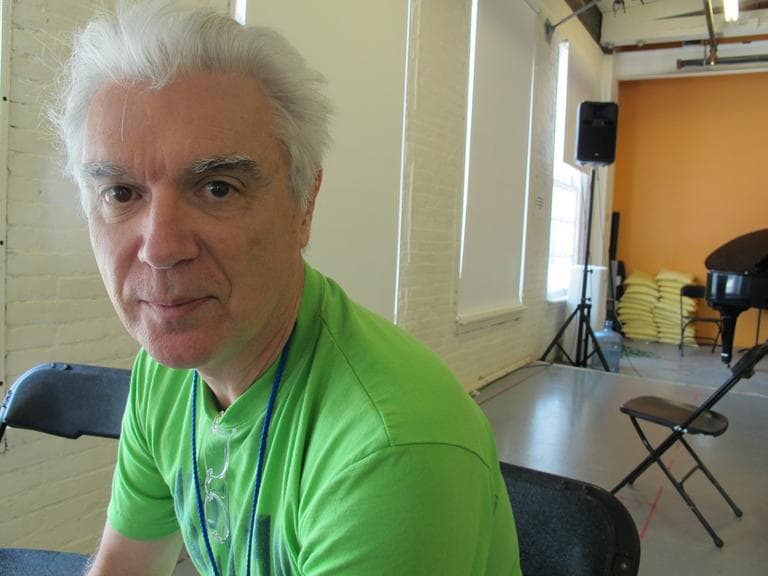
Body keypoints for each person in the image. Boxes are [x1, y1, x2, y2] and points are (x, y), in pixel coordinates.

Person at [53, 1, 521, 574]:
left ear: (304, 205)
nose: (160, 247)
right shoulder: (165, 375)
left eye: (217, 188)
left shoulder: (389, 451)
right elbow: (125, 565)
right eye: (122, 193)